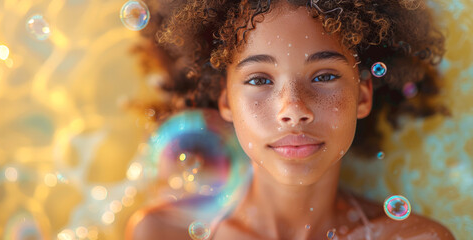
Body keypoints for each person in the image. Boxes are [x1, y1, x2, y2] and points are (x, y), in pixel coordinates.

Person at [126, 0, 455, 239]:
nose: (293, 108)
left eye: (324, 76)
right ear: (225, 100)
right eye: (259, 80)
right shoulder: (161, 233)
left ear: (363, 96)